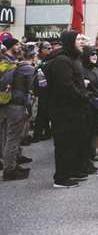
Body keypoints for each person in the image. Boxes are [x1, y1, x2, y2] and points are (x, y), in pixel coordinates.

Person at [44, 31, 90, 188]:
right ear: (70, 41)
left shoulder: (71, 58)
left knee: (74, 142)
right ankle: (61, 178)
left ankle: (72, 171)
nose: (81, 42)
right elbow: (66, 87)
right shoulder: (62, 61)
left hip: (73, 109)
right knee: (64, 144)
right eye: (78, 39)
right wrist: (82, 96)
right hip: (63, 111)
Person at [0, 38, 34, 181]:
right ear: (11, 47)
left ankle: (10, 164)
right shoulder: (13, 64)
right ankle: (10, 170)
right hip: (14, 104)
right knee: (12, 138)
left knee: (6, 137)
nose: (19, 47)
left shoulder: (6, 62)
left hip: (4, 103)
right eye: (17, 45)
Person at [79, 46, 98, 176]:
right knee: (86, 136)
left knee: (93, 133)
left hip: (97, 105)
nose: (95, 56)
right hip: (87, 106)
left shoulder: (94, 69)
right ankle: (84, 163)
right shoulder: (81, 69)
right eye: (92, 54)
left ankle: (89, 161)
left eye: (96, 54)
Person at [32, 41, 52, 143]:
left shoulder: (49, 59)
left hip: (48, 90)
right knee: (41, 112)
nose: (50, 49)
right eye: (47, 48)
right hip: (41, 90)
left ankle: (44, 133)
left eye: (50, 48)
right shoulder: (38, 60)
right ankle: (39, 134)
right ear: (41, 50)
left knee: (44, 112)